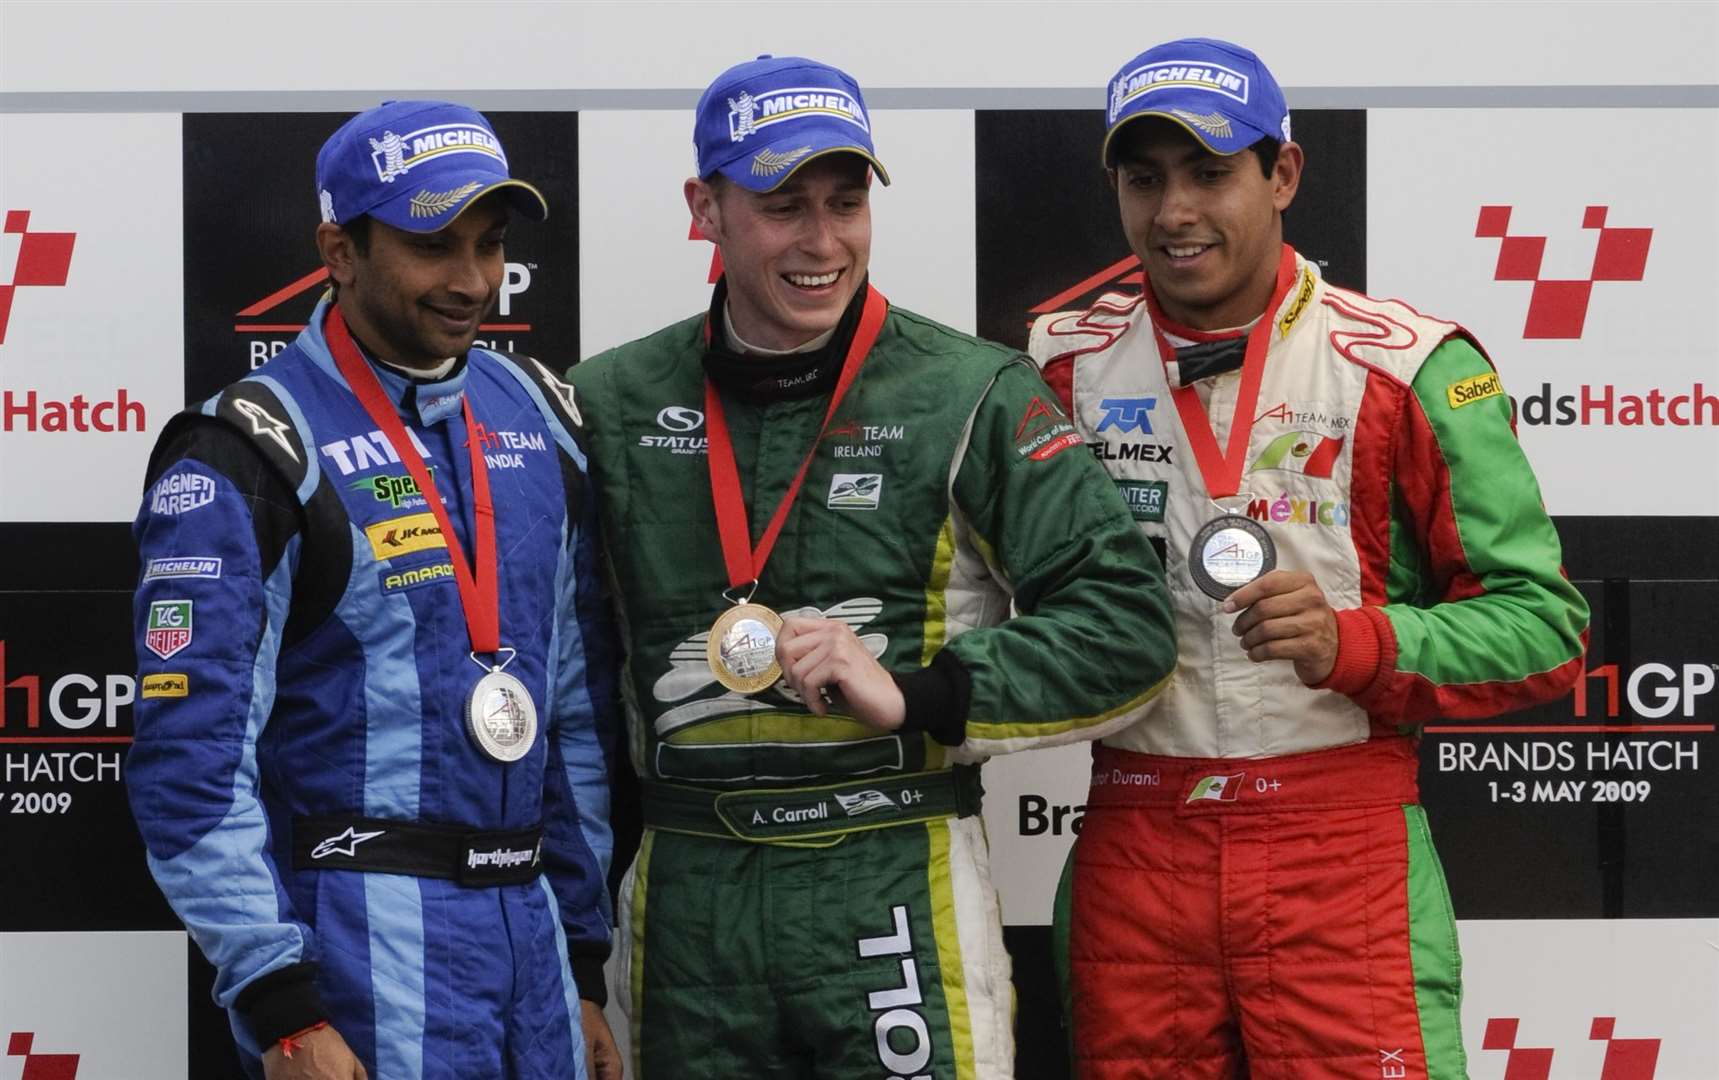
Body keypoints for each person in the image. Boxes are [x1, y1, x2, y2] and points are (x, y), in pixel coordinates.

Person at [565, 55, 1176, 1079]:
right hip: (684, 902)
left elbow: (1128, 628)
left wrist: (926, 693)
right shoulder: (605, 403)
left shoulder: (970, 391)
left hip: (891, 870)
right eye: (782, 205)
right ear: (704, 207)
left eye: (845, 203)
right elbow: (563, 695)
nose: (821, 241)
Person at [1030, 37, 1591, 1080]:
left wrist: (1356, 641)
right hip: (1139, 834)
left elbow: (1544, 626)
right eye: (1144, 180)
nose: (1175, 212)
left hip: (1341, 843)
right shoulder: (1056, 365)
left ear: (1281, 174)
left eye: (1210, 173)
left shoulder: (1408, 367)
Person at [128, 101, 621, 1080]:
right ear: (339, 250)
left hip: (533, 958)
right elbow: (189, 765)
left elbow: (573, 716)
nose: (472, 280)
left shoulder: (537, 413)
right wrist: (281, 1006)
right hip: (356, 954)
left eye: (489, 245)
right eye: (434, 244)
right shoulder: (250, 447)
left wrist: (583, 964)